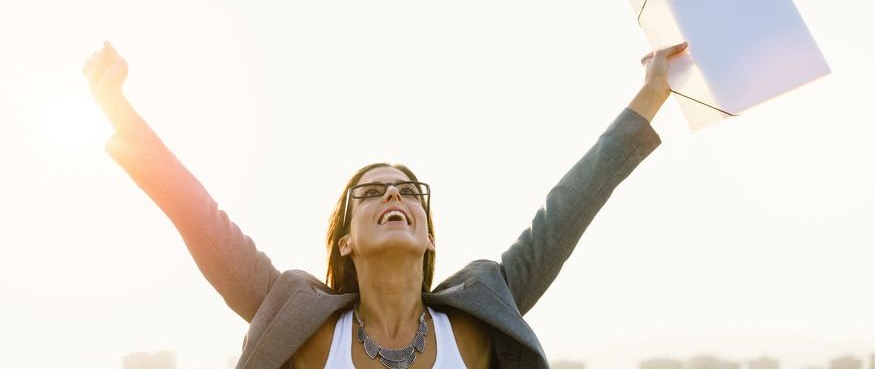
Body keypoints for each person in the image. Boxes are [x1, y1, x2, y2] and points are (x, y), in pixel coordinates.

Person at [83, 40, 688, 369]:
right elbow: (197, 214)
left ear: (428, 234)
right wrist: (118, 109)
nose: (393, 194)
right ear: (345, 238)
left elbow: (571, 204)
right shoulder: (295, 317)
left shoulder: (482, 315)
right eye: (370, 193)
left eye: (406, 190)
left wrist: (652, 91)